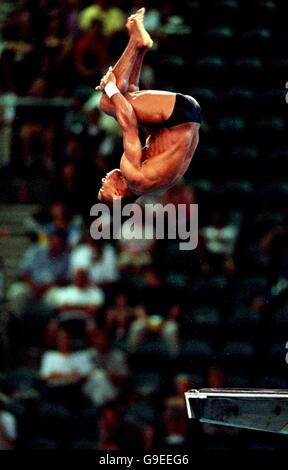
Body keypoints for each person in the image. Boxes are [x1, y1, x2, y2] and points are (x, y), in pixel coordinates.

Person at [96, 8, 202, 205]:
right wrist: (109, 86)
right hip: (177, 115)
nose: (103, 180)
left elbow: (134, 109)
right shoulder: (132, 175)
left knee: (126, 97)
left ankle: (140, 46)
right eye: (104, 187)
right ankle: (137, 43)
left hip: (188, 118)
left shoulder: (150, 183)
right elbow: (129, 123)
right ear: (118, 193)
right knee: (107, 102)